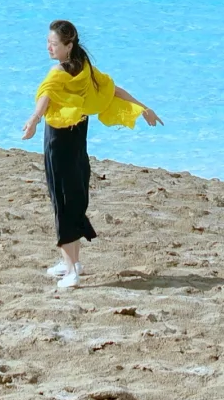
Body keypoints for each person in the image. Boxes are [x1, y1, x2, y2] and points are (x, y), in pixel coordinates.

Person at [22, 19, 162, 289]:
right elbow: (48, 97)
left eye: (53, 44)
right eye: (48, 42)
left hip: (63, 142)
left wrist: (143, 107)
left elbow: (110, 90)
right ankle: (70, 264)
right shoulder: (80, 71)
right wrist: (34, 119)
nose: (48, 48)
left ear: (68, 46)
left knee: (66, 200)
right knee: (69, 197)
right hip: (68, 140)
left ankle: (72, 271)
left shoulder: (73, 72)